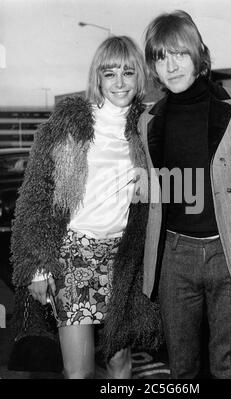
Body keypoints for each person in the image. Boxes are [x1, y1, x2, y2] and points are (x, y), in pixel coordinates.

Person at [138, 10, 231, 379]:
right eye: (160, 56)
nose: (170, 66)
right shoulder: (147, 121)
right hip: (172, 257)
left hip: (230, 252)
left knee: (229, 365)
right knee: (181, 368)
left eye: (179, 53)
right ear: (153, 66)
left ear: (198, 53)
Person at [10, 35, 162, 379]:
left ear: (140, 76)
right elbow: (36, 197)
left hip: (124, 259)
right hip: (73, 253)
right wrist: (37, 266)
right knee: (77, 371)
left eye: (128, 72)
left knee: (120, 364)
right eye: (110, 74)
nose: (119, 83)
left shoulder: (148, 125)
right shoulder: (69, 124)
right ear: (98, 77)